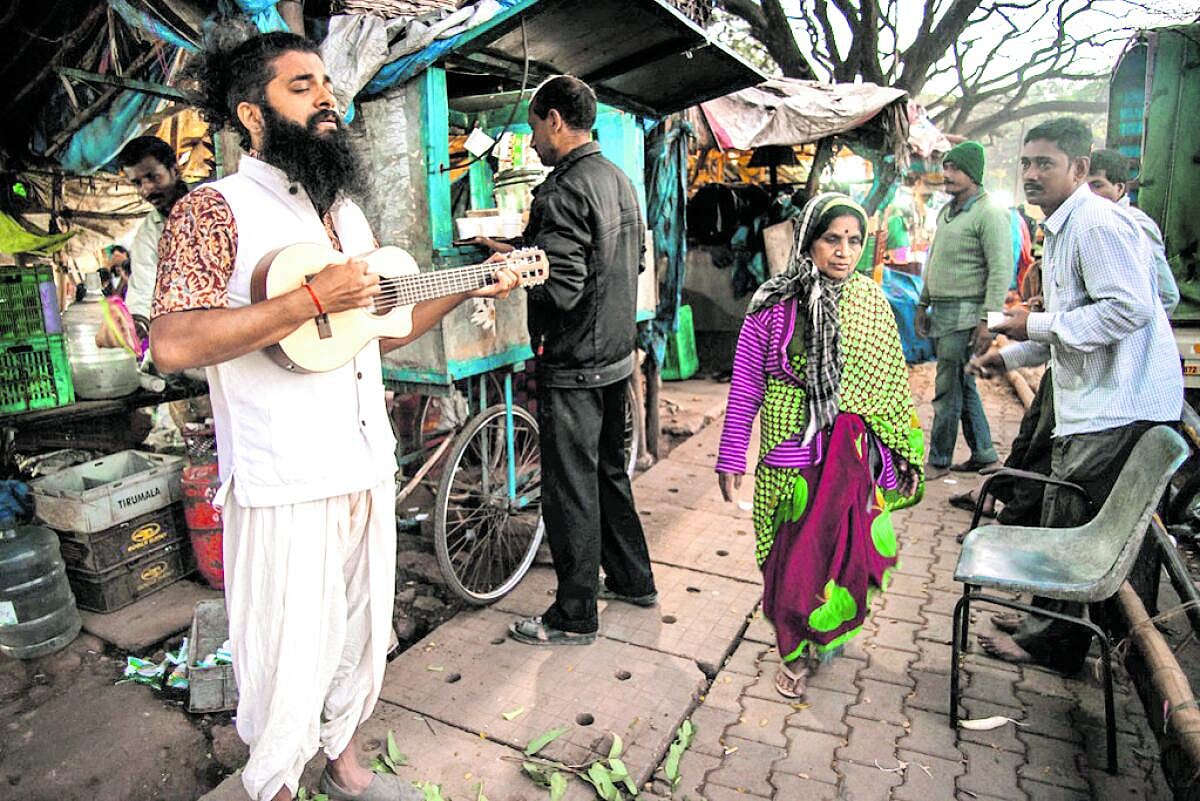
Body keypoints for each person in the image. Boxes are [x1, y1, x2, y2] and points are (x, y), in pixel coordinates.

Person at [149, 32, 519, 801]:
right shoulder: (212, 210)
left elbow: (383, 327)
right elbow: (173, 341)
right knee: (287, 646)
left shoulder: (346, 216)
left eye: (327, 83)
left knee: (359, 626)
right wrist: (309, 299)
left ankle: (343, 760)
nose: (328, 98)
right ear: (252, 114)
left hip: (362, 458)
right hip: (283, 473)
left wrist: (472, 283)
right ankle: (276, 782)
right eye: (302, 86)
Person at [974, 117, 1183, 672]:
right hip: (1094, 397)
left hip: (1116, 403)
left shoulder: (1095, 225)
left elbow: (1131, 308)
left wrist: (1032, 327)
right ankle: (1047, 623)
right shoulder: (1063, 228)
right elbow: (1068, 325)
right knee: (1061, 514)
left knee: (1072, 522)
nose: (1031, 175)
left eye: (1045, 164)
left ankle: (1055, 645)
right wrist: (1011, 352)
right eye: (1026, 164)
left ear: (1080, 169)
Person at [716, 193, 924, 699]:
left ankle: (821, 635)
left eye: (854, 241)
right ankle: (791, 648)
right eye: (832, 239)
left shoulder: (870, 301)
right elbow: (746, 385)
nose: (844, 252)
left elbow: (891, 383)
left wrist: (902, 451)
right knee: (790, 562)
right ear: (809, 240)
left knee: (839, 556)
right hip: (791, 453)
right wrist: (731, 452)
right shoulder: (772, 304)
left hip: (851, 460)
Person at [483, 76, 657, 646]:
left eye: (534, 128)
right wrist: (522, 255)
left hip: (575, 362)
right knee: (609, 474)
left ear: (556, 120)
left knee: (570, 489)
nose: (532, 142)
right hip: (612, 357)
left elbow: (561, 288)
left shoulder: (561, 192)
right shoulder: (618, 180)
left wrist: (516, 279)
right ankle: (633, 580)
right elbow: (616, 266)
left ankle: (575, 613)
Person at [916, 142, 1010, 479]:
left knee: (947, 388)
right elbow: (934, 260)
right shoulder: (948, 211)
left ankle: (939, 460)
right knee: (962, 383)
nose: (947, 175)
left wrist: (989, 320)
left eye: (956, 168)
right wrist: (923, 303)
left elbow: (1001, 269)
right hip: (941, 310)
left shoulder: (991, 213)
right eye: (947, 167)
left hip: (967, 314)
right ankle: (984, 454)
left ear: (974, 173)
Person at [1087, 148, 1179, 314]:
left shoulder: (1135, 224)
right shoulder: (1090, 223)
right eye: (1084, 187)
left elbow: (1167, 295)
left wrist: (1135, 334)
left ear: (1120, 188)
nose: (1089, 193)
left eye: (1097, 185)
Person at [118, 135, 191, 342]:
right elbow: (142, 289)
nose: (146, 189)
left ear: (174, 170)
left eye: (152, 176)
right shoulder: (148, 235)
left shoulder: (215, 204)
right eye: (137, 183)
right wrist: (136, 324)